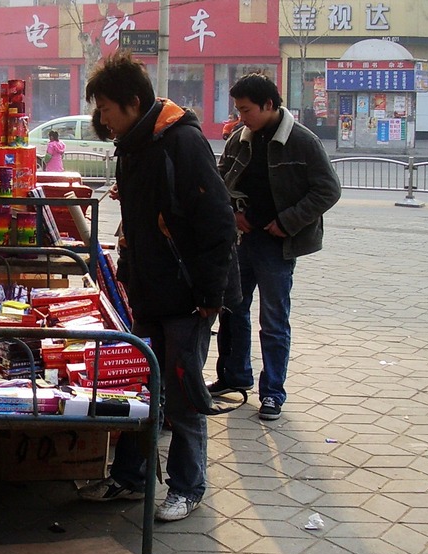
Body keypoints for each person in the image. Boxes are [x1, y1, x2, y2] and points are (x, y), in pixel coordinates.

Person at [78, 52, 237, 522]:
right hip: (148, 288)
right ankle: (131, 477)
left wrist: (211, 297)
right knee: (140, 389)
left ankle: (188, 487)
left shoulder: (180, 143)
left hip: (186, 295)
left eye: (106, 108)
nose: (102, 118)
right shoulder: (133, 144)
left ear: (132, 102)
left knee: (183, 395)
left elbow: (219, 223)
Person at [212, 73, 341, 420]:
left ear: (269, 105)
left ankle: (272, 393)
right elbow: (221, 179)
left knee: (273, 320)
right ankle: (233, 376)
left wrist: (288, 221)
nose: (241, 117)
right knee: (233, 309)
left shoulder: (302, 141)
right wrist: (234, 213)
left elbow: (328, 190)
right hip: (243, 240)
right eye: (238, 110)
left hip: (277, 245)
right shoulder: (241, 138)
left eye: (246, 109)